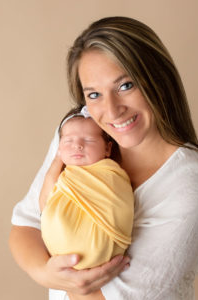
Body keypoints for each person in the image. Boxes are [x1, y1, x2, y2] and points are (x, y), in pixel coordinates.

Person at [9, 16, 198, 300]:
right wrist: (45, 272)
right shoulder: (80, 133)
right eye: (94, 94)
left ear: (157, 79)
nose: (112, 111)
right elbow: (26, 223)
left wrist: (65, 279)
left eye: (125, 86)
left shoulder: (192, 184)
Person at [40, 106, 134, 272]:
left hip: (102, 250)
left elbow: (118, 205)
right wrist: (56, 163)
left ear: (108, 148)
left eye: (89, 140)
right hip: (59, 255)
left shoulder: (111, 174)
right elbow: (45, 203)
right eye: (68, 141)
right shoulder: (63, 174)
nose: (78, 146)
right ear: (59, 148)